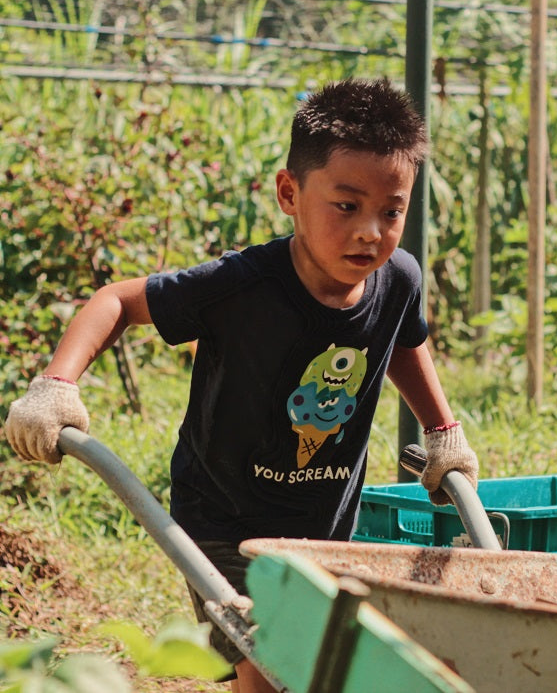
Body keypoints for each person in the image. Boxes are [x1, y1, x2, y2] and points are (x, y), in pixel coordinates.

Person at [4, 77, 479, 692]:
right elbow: (116, 301)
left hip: (325, 519)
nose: (371, 231)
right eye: (346, 205)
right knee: (265, 658)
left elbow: (403, 342)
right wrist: (55, 384)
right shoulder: (242, 285)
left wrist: (443, 431)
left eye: (392, 210)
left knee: (313, 665)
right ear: (290, 192)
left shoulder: (399, 280)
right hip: (224, 518)